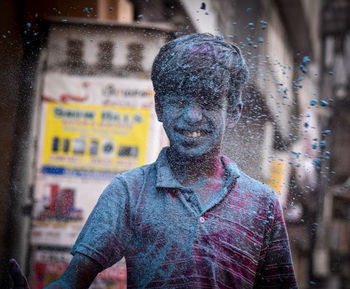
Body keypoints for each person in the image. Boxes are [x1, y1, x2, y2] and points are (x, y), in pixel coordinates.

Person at [10, 33, 298, 289]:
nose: (192, 116)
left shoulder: (262, 204)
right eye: (178, 101)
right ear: (159, 107)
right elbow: (73, 281)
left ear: (233, 112)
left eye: (208, 102)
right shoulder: (129, 192)